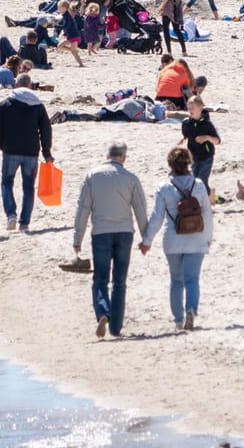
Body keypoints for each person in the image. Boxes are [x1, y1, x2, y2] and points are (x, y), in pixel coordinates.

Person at [72, 141, 145, 339]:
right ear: (123, 157)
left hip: (101, 233)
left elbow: (83, 208)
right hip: (124, 233)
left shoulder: (92, 176)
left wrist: (77, 238)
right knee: (120, 281)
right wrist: (145, 238)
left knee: (100, 278)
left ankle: (103, 313)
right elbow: (140, 209)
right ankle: (116, 328)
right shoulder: (131, 178)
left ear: (107, 156)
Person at [139, 147, 213, 331]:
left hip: (172, 239)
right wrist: (208, 237)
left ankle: (178, 319)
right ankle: (191, 310)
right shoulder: (199, 185)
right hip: (196, 238)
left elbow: (157, 217)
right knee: (192, 279)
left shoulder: (164, 187)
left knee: (176, 280)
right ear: (189, 162)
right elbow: (207, 214)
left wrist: (146, 241)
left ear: (170, 164)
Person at [0, 84, 53, 233]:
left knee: (6, 183)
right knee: (28, 187)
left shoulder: (5, 104)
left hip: (10, 150)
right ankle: (24, 223)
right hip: (31, 151)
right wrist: (46, 152)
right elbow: (46, 129)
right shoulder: (37, 105)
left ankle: (11, 214)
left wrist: (2, 145)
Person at [177, 95, 221, 187]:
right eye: (188, 108)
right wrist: (182, 139)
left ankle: (207, 198)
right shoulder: (186, 123)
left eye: (192, 108)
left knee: (201, 181)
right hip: (193, 156)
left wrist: (207, 138)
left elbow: (217, 141)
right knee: (194, 181)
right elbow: (186, 135)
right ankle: (207, 197)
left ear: (201, 108)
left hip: (206, 156)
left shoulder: (207, 124)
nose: (190, 110)